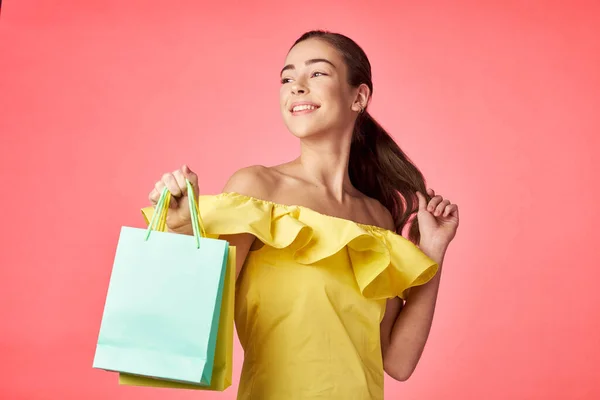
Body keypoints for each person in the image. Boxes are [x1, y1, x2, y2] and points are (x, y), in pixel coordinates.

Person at [146, 30, 459, 400]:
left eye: (317, 73)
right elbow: (200, 319)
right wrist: (182, 230)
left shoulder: (377, 218)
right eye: (286, 77)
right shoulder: (257, 189)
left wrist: (433, 255)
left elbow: (397, 361)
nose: (296, 86)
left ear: (359, 97)